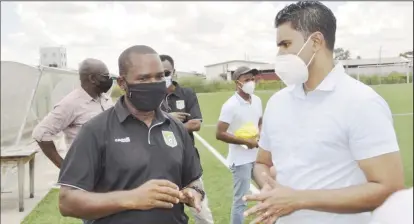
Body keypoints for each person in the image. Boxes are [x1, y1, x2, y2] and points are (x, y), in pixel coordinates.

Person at [243, 2, 405, 224]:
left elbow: (389, 187)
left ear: (316, 41)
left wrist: (299, 200)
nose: (279, 54)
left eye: (286, 44)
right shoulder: (277, 103)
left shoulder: (362, 102)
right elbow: (262, 163)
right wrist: (271, 188)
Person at [57, 45, 205, 224]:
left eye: (159, 77)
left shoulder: (176, 128)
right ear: (122, 83)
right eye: (144, 78)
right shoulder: (95, 131)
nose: (154, 83)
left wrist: (193, 192)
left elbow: (193, 181)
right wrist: (132, 198)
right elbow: (67, 202)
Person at [159, 54, 215, 224]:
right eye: (159, 74)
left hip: (187, 162)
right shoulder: (151, 96)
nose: (163, 77)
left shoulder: (187, 93)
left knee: (203, 213)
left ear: (174, 72)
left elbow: (196, 124)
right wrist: (170, 118)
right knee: (166, 213)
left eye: (166, 72)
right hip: (161, 163)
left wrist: (166, 123)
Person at [32, 58, 114, 169]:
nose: (109, 80)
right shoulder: (71, 103)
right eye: (105, 76)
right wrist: (65, 167)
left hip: (109, 168)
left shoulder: (105, 99)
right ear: (92, 78)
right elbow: (41, 133)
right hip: (86, 170)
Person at [215, 66, 263, 224]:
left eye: (252, 79)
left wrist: (261, 135)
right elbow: (220, 133)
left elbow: (260, 122)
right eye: (246, 79)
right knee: (241, 201)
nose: (251, 82)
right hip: (241, 160)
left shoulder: (257, 100)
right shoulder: (230, 105)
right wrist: (245, 141)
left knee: (268, 191)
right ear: (238, 83)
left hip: (258, 157)